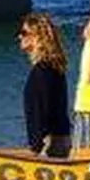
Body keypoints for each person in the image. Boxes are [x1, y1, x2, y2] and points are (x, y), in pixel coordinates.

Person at [18, 12, 72, 159]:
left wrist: (35, 148)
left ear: (37, 37)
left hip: (49, 145)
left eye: (24, 33)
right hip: (60, 139)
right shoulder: (53, 67)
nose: (19, 37)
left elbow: (40, 110)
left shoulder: (42, 71)